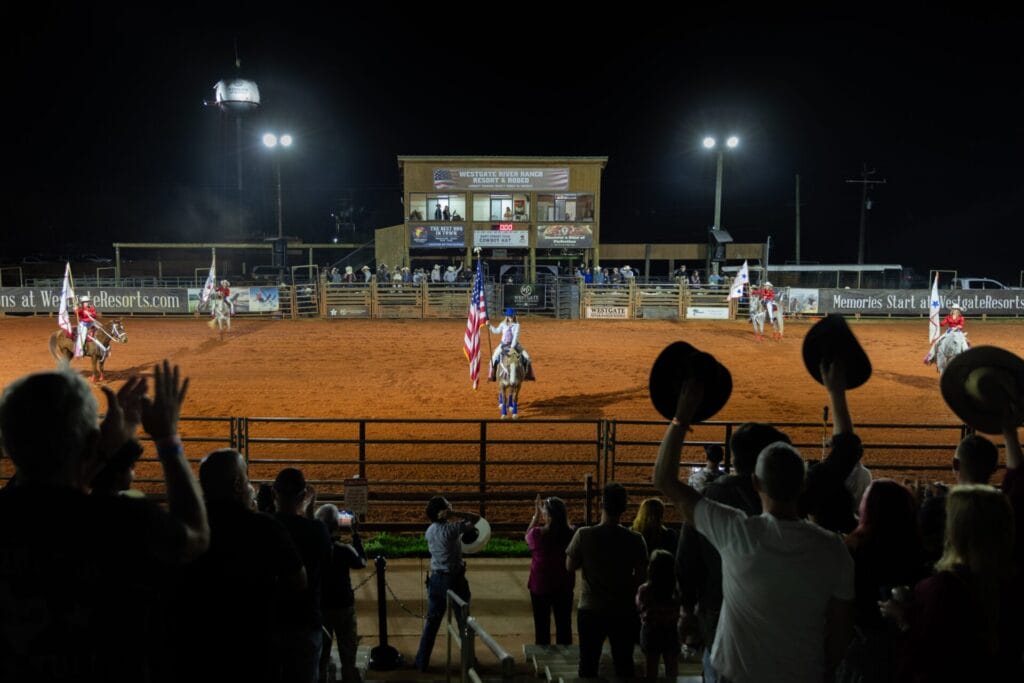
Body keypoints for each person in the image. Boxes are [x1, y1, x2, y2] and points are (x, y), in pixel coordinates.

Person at [0, 360, 210, 682]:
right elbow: (196, 536)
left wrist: (99, 450)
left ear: (8, 444)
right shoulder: (122, 522)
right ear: (89, 444)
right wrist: (167, 439)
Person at [654, 357, 855, 683]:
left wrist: (681, 416)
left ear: (755, 482)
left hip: (730, 658)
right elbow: (845, 454)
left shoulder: (731, 523)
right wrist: (836, 392)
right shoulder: (833, 548)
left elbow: (664, 480)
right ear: (802, 482)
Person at [566, 482, 648, 678]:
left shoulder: (584, 535)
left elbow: (569, 566)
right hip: (623, 609)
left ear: (601, 503)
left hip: (591, 608)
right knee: (624, 663)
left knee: (588, 663)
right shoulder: (636, 539)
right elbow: (641, 576)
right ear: (624, 508)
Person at [414, 496, 479, 672]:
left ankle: (421, 661)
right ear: (443, 511)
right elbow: (475, 519)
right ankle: (469, 662)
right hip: (454, 580)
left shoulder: (430, 530)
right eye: (448, 505)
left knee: (432, 622)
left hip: (436, 579)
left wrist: (447, 514)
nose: (451, 506)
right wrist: (454, 513)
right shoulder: (452, 529)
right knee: (463, 622)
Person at [315, 504, 367, 683]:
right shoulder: (344, 550)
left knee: (321, 656)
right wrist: (355, 535)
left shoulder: (314, 550)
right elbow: (362, 562)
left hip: (321, 606)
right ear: (337, 525)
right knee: (348, 654)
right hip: (343, 605)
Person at [526, 495, 575, 645]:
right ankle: (566, 658)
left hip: (540, 586)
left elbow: (527, 535)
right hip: (564, 585)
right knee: (564, 625)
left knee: (541, 626)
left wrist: (536, 515)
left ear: (547, 515)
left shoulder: (537, 534)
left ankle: (542, 661)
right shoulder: (572, 534)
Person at [636, 549, 682, 680]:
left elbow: (639, 607)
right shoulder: (676, 589)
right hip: (672, 630)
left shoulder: (644, 590)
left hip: (651, 631)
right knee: (672, 667)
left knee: (651, 667)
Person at [487, 308, 534, 381]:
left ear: (514, 316)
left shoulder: (517, 325)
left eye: (512, 316)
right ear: (507, 316)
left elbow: (515, 337)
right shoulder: (503, 324)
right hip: (503, 344)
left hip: (514, 344)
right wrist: (489, 326)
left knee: (527, 357)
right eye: (509, 316)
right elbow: (496, 331)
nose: (511, 318)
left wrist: (512, 347)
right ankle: (492, 375)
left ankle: (528, 375)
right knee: (493, 359)